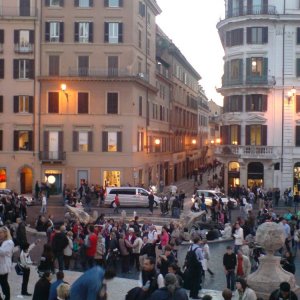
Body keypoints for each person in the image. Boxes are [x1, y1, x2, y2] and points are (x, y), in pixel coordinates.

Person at [184, 235, 203, 299]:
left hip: (190, 267)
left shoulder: (190, 247)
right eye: (200, 240)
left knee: (192, 280)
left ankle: (191, 294)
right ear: (198, 241)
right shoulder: (199, 249)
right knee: (197, 281)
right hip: (197, 267)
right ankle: (195, 295)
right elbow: (201, 258)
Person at [0, 226, 14, 300]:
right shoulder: (2, 241)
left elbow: (3, 252)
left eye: (1, 232)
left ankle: (7, 298)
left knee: (4, 283)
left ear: (5, 233)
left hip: (4, 266)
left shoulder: (9, 242)